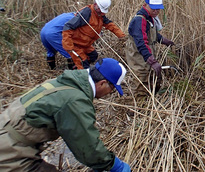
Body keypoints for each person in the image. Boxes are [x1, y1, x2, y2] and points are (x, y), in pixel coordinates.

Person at [0, 58, 131, 171]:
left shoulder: (67, 82)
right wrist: (112, 164)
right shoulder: (75, 100)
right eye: (112, 89)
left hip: (7, 135)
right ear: (102, 83)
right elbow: (87, 147)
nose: (109, 93)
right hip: (10, 151)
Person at [125, 0, 175, 98]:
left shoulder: (150, 18)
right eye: (153, 8)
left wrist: (163, 40)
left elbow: (152, 34)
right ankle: (139, 105)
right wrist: (152, 60)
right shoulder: (139, 20)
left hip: (145, 54)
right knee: (141, 77)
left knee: (150, 76)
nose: (156, 11)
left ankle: (148, 99)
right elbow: (141, 42)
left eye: (158, 9)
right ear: (145, 5)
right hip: (138, 54)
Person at [62, 0, 126, 69]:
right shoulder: (86, 13)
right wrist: (68, 45)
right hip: (74, 44)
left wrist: (122, 37)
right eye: (100, 9)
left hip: (85, 45)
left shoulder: (100, 16)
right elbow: (68, 26)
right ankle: (82, 71)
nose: (102, 12)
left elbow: (111, 26)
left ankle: (76, 67)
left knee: (93, 55)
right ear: (95, 4)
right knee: (83, 62)